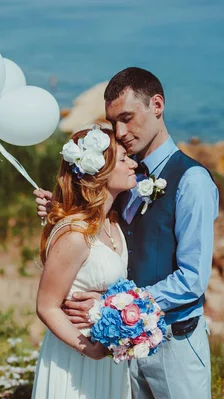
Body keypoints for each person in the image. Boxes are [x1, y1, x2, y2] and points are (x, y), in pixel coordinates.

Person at [34, 67, 219, 399]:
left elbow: (193, 279)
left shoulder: (192, 181)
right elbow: (98, 229)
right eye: (113, 121)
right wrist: (63, 209)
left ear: (157, 106)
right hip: (120, 349)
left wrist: (113, 307)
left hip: (173, 346)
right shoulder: (122, 172)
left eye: (127, 118)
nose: (119, 131)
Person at [32, 126, 138, 399]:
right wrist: (89, 349)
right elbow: (46, 306)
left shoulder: (113, 223)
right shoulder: (75, 235)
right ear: (101, 171)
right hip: (78, 358)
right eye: (124, 159)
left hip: (109, 356)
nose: (134, 164)